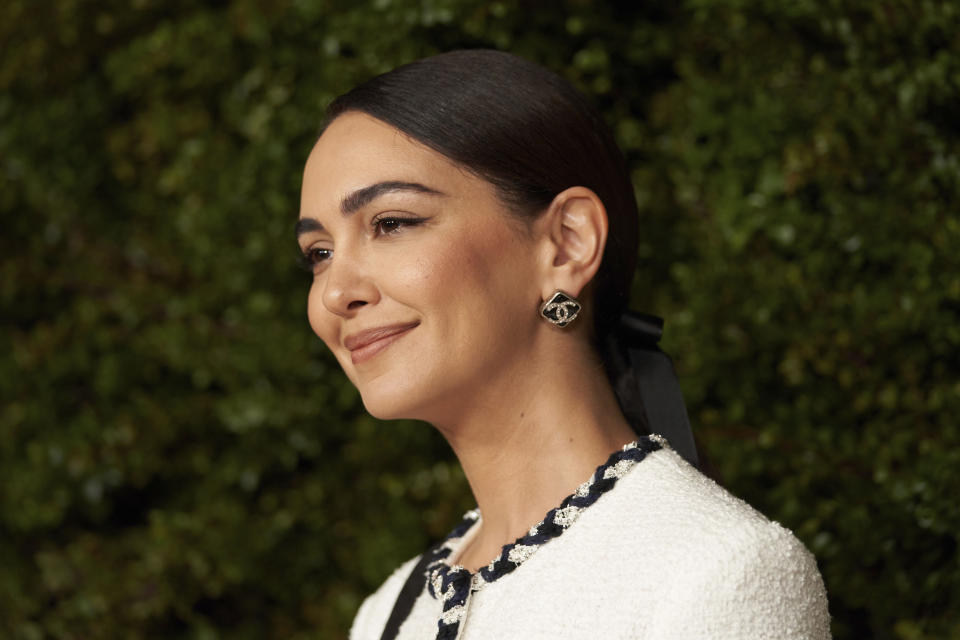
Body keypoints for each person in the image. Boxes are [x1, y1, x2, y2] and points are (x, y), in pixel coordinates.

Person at [296, 49, 830, 640]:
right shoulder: (389, 611)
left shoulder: (714, 573)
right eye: (319, 254)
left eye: (391, 223)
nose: (335, 292)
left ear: (567, 245)